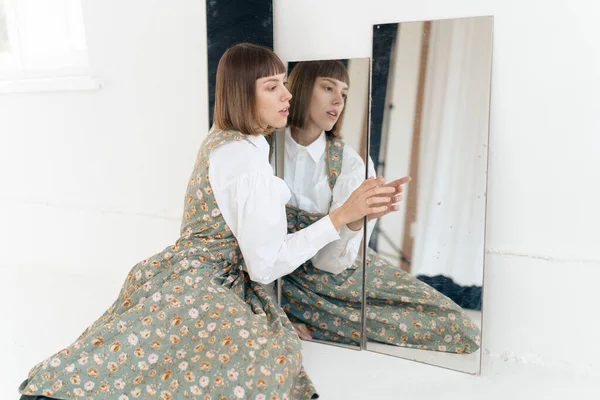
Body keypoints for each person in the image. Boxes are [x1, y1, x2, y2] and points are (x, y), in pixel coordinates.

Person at [18, 45, 398, 400]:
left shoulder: (232, 139)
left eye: (285, 84)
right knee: (264, 369)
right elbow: (264, 266)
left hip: (185, 271)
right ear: (243, 95)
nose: (287, 95)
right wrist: (341, 217)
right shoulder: (243, 159)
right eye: (272, 87)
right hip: (206, 281)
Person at [279, 60, 481, 354]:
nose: (339, 101)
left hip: (334, 278)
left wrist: (357, 220)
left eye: (344, 94)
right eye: (328, 88)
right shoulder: (263, 149)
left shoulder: (350, 164)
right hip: (274, 279)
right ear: (300, 88)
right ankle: (286, 317)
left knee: (458, 329)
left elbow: (330, 263)